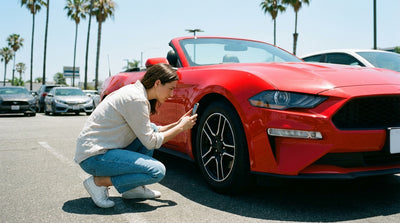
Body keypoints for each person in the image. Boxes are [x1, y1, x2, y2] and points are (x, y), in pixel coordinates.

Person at [74, 63, 197, 208]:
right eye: (170, 88)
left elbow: (149, 131)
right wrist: (181, 128)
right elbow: (151, 142)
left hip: (99, 150)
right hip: (94, 157)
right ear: (157, 83)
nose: (171, 94)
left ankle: (132, 189)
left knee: (151, 128)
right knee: (157, 171)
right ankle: (98, 183)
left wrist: (177, 124)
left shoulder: (136, 93)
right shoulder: (136, 99)